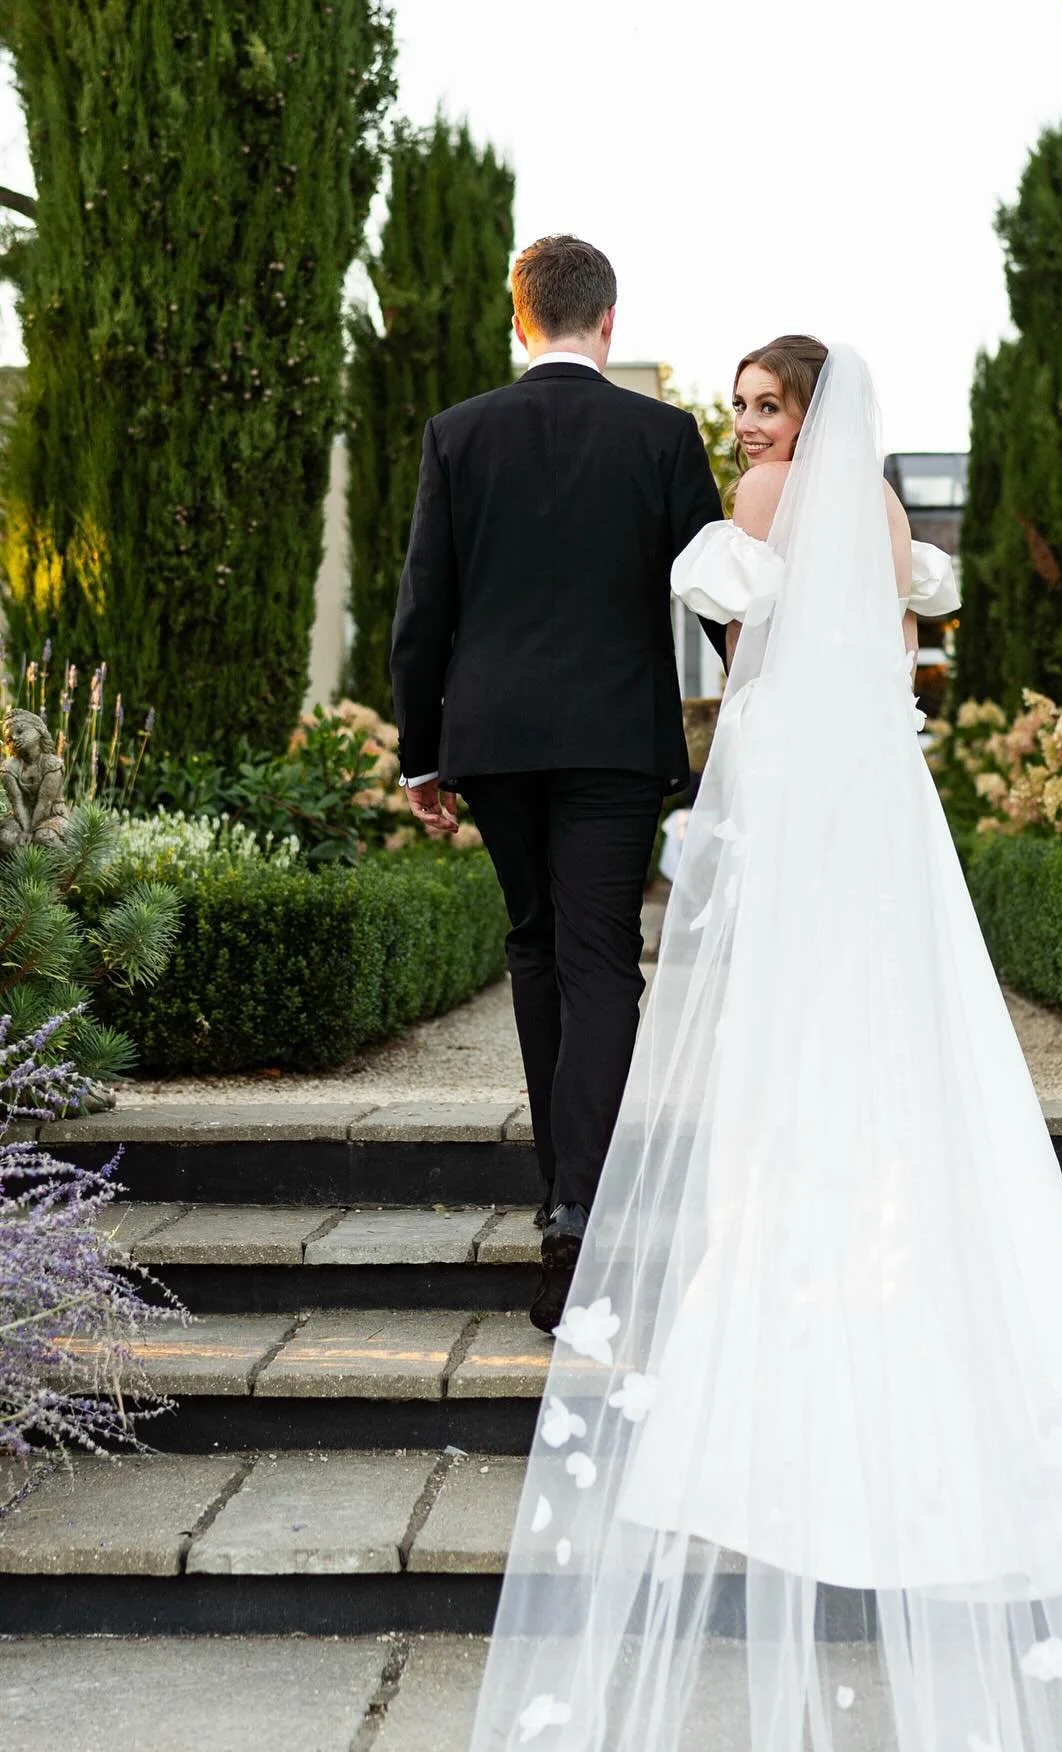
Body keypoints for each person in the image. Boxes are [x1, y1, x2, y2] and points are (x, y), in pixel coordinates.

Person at [458, 341, 1062, 1752]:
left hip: (799, 790)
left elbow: (733, 642)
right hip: (881, 798)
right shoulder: (882, 509)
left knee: (786, 1040)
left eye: (765, 404)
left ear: (804, 411)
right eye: (743, 407)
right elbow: (911, 631)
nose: (747, 427)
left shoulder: (762, 505)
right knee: (901, 1031)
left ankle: (796, 1258)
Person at [389, 235, 725, 1334]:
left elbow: (424, 608)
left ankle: (565, 1202)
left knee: (536, 949)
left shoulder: (458, 433)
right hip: (617, 740)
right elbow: (717, 597)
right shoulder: (661, 436)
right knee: (601, 960)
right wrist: (763, 706)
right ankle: (579, 1210)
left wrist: (421, 753)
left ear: (518, 317)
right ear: (609, 321)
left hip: (493, 740)